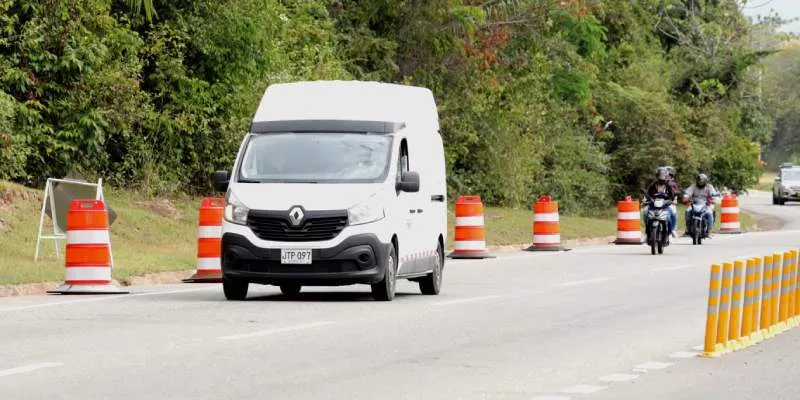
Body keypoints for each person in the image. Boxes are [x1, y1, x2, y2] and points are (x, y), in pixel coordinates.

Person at [682, 173, 720, 238]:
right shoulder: (693, 186)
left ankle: (708, 230)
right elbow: (687, 193)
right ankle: (688, 228)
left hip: (706, 204)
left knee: (709, 213)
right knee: (688, 211)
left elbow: (714, 195)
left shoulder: (709, 187)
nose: (700, 183)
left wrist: (713, 200)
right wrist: (686, 197)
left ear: (705, 181)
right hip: (694, 204)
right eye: (699, 181)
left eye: (702, 182)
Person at [643, 168, 677, 240]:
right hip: (653, 204)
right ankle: (647, 233)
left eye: (663, 175)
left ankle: (670, 232)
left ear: (666, 176)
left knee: (671, 215)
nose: (661, 178)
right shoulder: (653, 184)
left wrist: (672, 200)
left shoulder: (668, 185)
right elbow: (647, 193)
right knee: (646, 212)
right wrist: (645, 199)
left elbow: (672, 195)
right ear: (657, 176)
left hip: (665, 204)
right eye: (660, 175)